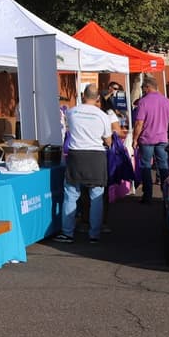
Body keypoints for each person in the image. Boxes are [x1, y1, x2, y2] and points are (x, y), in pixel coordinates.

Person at [56, 85, 111, 243]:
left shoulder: (71, 112)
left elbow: (69, 130)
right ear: (98, 98)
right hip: (96, 156)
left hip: (76, 155)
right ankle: (94, 235)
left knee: (71, 194)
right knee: (96, 196)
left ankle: (67, 233)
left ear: (82, 95)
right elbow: (108, 140)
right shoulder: (103, 116)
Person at [132, 78, 169, 205]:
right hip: (162, 138)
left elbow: (139, 123)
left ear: (147, 87)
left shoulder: (143, 102)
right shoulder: (167, 101)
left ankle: (147, 195)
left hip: (146, 138)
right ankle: (166, 194)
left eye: (143, 88)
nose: (142, 90)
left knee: (146, 166)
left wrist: (135, 139)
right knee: (163, 165)